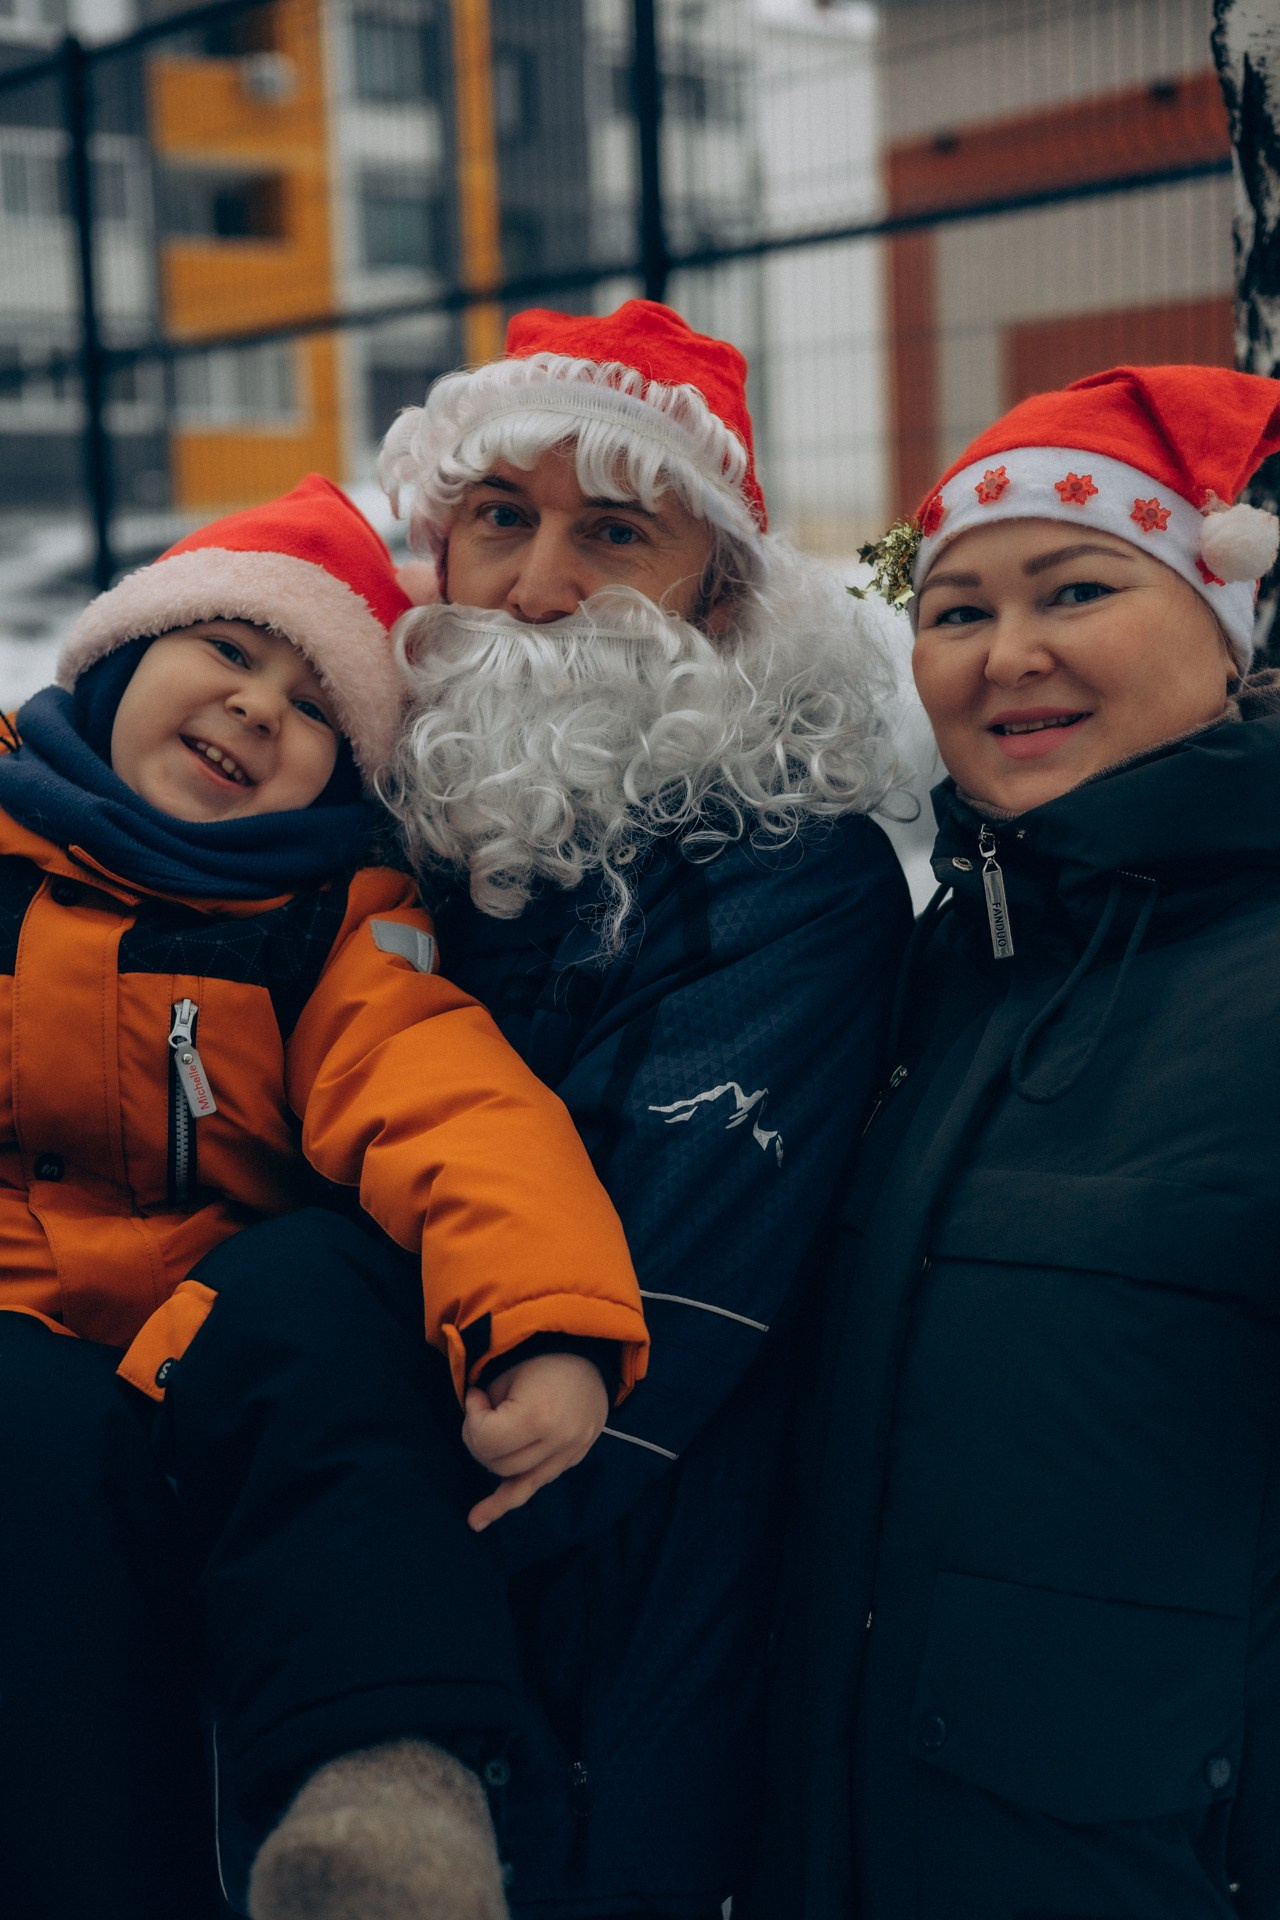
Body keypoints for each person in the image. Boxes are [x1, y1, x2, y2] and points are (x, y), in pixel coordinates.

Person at [0, 473, 650, 1920]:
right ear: (116, 661)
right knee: (32, 1466)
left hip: (208, 1353)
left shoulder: (330, 930)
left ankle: (388, 1807)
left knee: (327, 1297)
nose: (255, 709)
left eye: (311, 708)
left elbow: (455, 1107)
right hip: (18, 1363)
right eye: (227, 654)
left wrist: (542, 1321)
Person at [364, 297, 913, 1916]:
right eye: (500, 522)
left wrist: (331, 1528)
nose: (536, 590)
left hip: (622, 1560)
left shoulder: (788, 871)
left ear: (721, 594)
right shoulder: (369, 817)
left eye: (613, 533)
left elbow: (655, 1283)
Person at [746, 363, 1280, 1920]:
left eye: (1076, 589)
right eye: (958, 611)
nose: (1008, 656)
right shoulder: (930, 976)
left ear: (1225, 626)